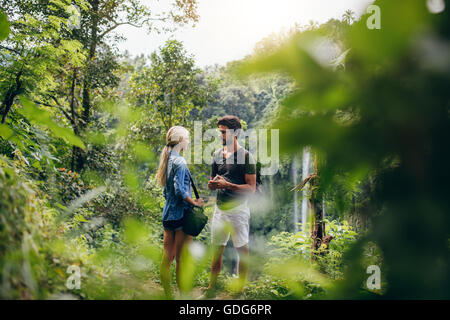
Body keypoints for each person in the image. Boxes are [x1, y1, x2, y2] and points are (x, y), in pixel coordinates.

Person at [202, 115, 256, 298]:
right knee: (216, 250)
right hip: (220, 210)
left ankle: (239, 291)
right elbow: (212, 181)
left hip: (239, 210)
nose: (221, 135)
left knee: (242, 250)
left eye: (224, 132)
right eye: (220, 132)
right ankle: (211, 289)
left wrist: (228, 185)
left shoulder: (247, 157)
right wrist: (213, 185)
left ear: (236, 133)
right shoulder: (217, 154)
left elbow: (251, 188)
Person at [156, 126, 204, 299]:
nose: (189, 141)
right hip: (182, 215)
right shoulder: (180, 162)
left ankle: (168, 295)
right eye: (188, 138)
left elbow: (166, 192)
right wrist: (195, 203)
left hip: (168, 214)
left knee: (166, 258)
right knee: (182, 260)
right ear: (181, 141)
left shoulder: (167, 159)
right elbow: (180, 191)